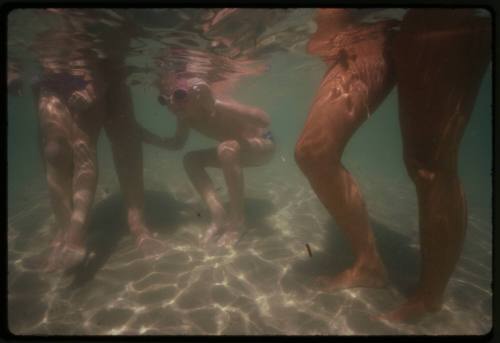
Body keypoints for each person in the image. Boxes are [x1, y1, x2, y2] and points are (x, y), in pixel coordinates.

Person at [294, 8, 491, 322]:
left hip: (437, 19)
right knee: (313, 152)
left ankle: (429, 296)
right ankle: (368, 265)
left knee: (429, 164)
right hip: (360, 29)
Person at [23, 9, 164, 272]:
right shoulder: (51, 23)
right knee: (54, 149)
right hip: (59, 75)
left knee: (123, 140)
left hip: (111, 70)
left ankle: (137, 223)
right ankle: (66, 232)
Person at [140, 76, 275, 246]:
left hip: (263, 146)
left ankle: (237, 222)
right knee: (191, 160)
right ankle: (218, 215)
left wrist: (215, 102)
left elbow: (263, 120)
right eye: (164, 100)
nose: (172, 105)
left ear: (196, 95)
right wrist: (147, 137)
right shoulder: (185, 117)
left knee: (226, 148)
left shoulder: (216, 102)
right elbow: (177, 144)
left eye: (180, 96)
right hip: (234, 152)